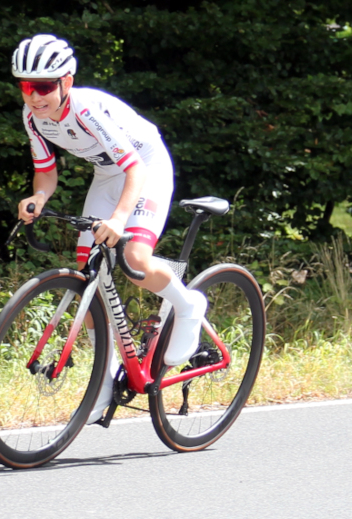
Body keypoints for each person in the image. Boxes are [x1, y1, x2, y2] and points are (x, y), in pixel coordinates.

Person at [12, 34, 208, 425]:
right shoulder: (33, 117)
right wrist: (37, 198)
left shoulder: (86, 110)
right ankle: (104, 375)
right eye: (26, 86)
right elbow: (46, 174)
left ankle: (189, 306)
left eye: (44, 87)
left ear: (66, 81)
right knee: (89, 273)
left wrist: (119, 219)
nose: (35, 96)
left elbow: (135, 169)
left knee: (135, 259)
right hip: (108, 174)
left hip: (145, 168)